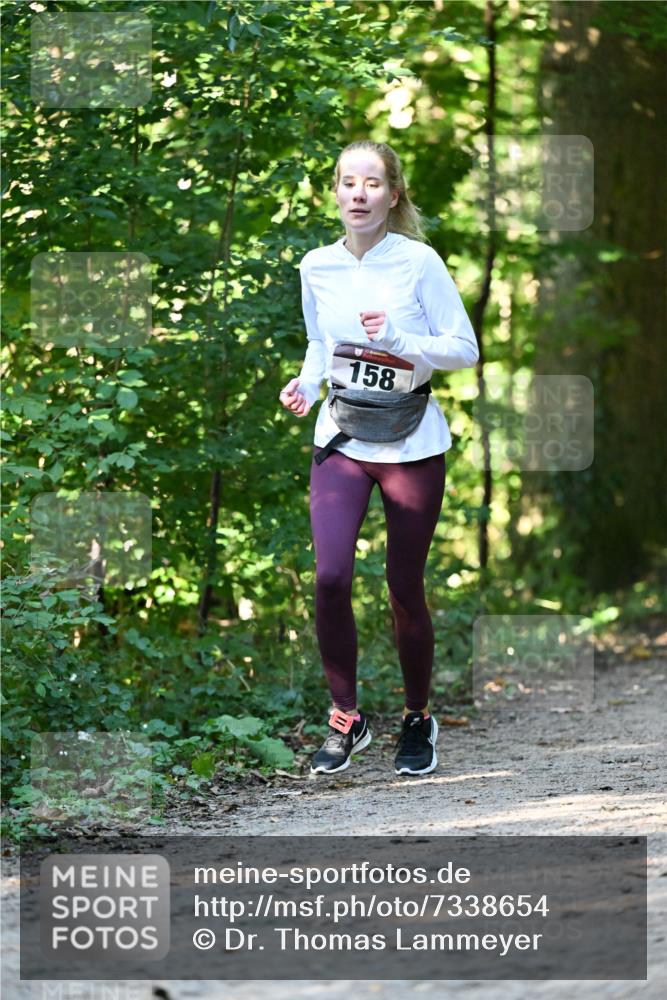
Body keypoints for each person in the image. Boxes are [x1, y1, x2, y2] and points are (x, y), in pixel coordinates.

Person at [279, 140, 478, 777]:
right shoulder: (316, 265)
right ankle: (347, 716)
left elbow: (464, 349)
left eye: (372, 183)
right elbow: (319, 343)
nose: (359, 194)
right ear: (335, 193)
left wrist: (398, 340)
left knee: (402, 588)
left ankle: (417, 719)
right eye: (347, 182)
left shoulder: (418, 263)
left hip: (412, 441)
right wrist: (306, 386)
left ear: (393, 194)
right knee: (331, 577)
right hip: (342, 435)